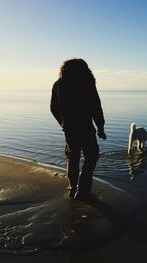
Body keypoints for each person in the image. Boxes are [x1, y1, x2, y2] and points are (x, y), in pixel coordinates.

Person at [50, 58, 106, 201]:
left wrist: (62, 122)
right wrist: (100, 127)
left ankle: (73, 187)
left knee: (72, 156)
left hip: (69, 129)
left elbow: (53, 108)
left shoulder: (58, 84)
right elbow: (96, 106)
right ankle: (82, 190)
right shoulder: (87, 83)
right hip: (85, 127)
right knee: (91, 157)